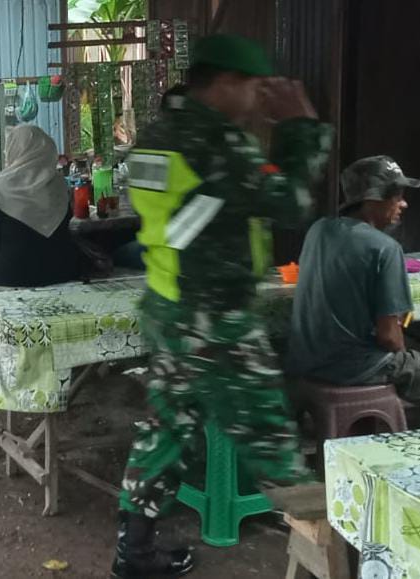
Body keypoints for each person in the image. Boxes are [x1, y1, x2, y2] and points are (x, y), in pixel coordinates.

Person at [113, 34, 332, 578]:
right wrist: (300, 127)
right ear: (226, 82)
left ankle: (134, 553)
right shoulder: (214, 141)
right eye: (254, 87)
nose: (258, 100)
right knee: (274, 439)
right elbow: (291, 202)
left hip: (168, 307)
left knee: (166, 430)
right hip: (215, 319)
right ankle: (338, 557)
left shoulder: (157, 136)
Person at [288, 156, 420, 425]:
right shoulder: (384, 248)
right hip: (353, 368)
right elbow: (390, 338)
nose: (403, 204)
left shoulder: (319, 230)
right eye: (397, 196)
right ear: (373, 198)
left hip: (306, 360)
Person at [0, 124, 81, 286]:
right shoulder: (59, 184)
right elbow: (68, 218)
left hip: (9, 272)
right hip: (59, 270)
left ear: (15, 150)